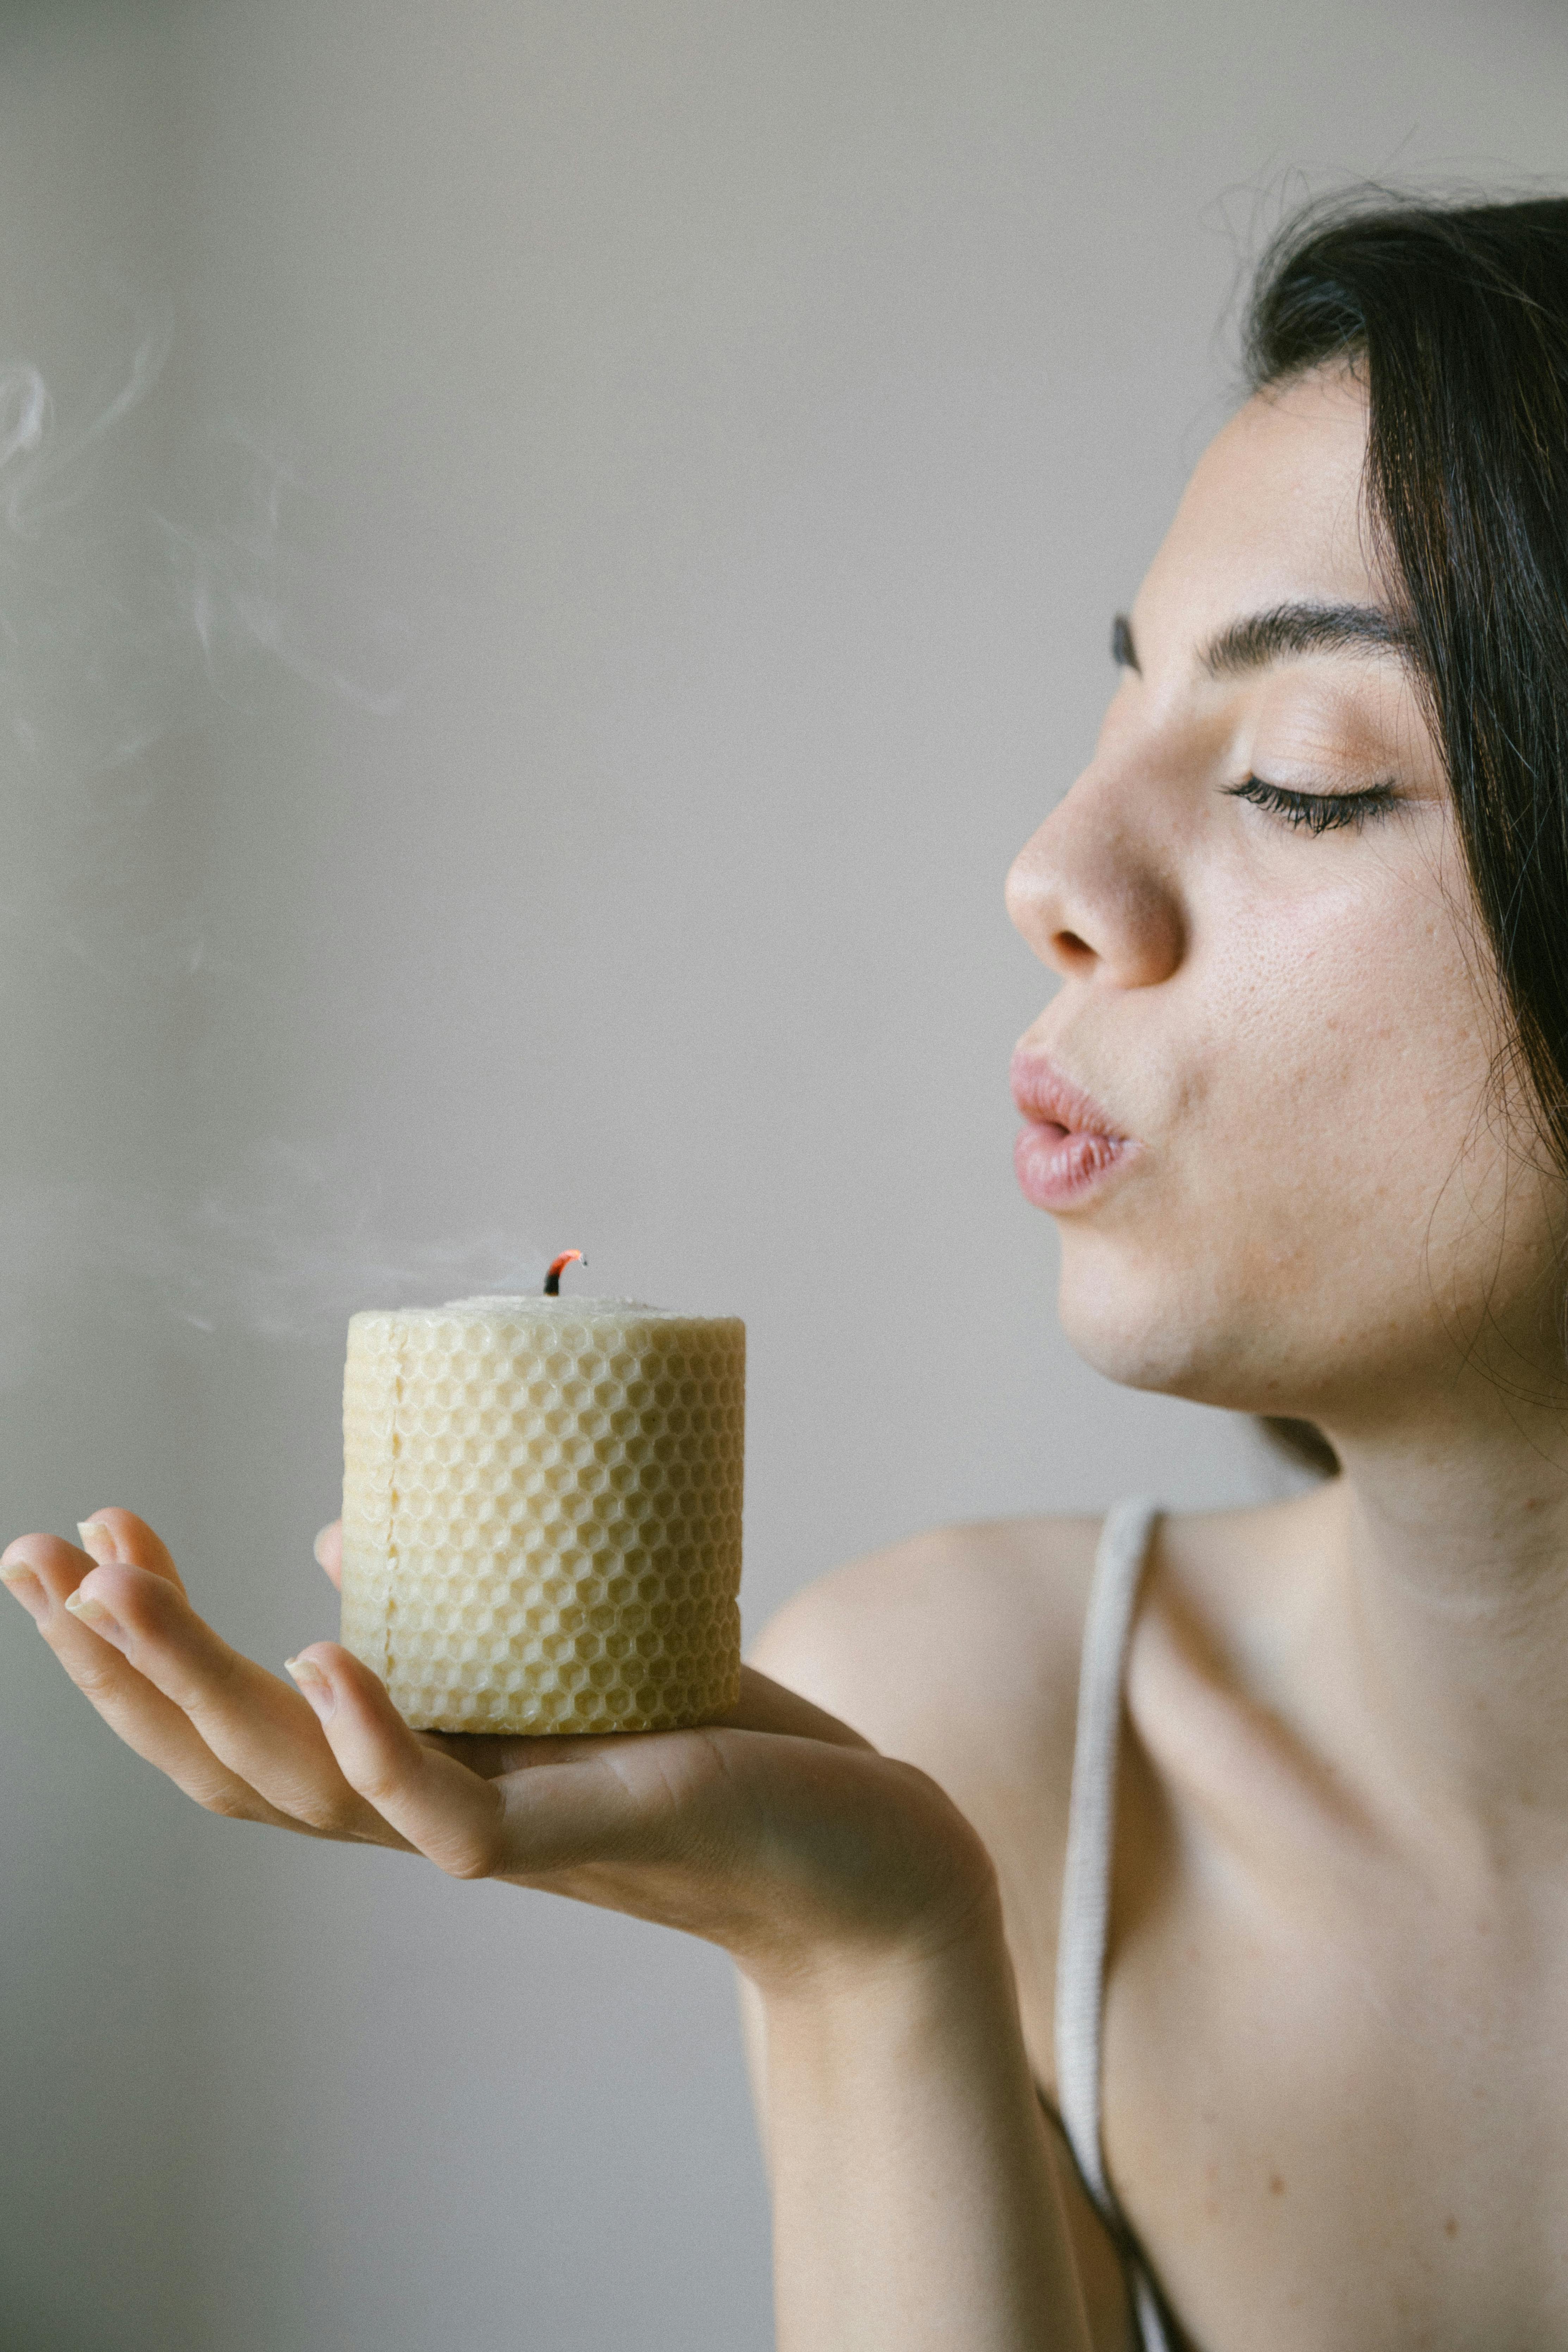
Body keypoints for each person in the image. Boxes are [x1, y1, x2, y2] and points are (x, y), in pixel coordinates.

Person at [8, 187, 1568, 2350]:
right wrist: (858, 1944)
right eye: (1113, 713)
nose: (1048, 870)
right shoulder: (966, 1737)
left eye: (1301, 778)